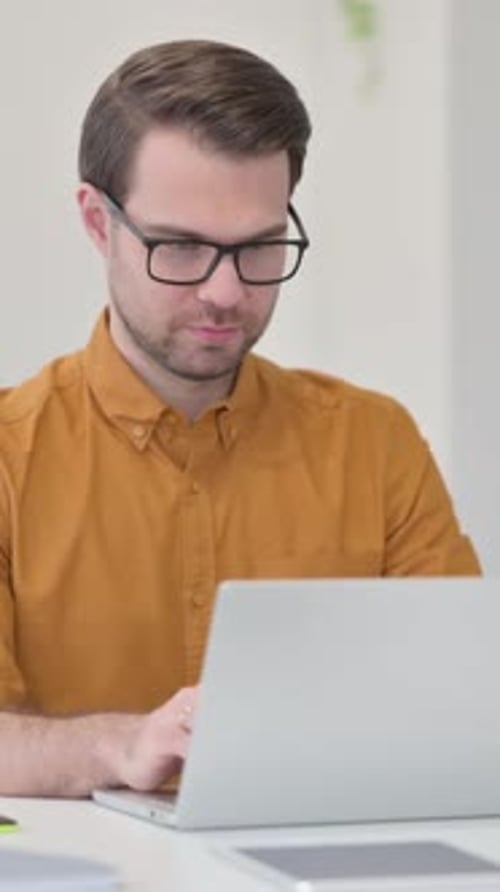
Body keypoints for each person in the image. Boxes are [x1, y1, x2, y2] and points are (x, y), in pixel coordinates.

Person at [0, 39, 480, 798]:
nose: (226, 292)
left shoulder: (374, 444)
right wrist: (120, 747)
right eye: (182, 247)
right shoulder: (9, 458)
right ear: (99, 223)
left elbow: (461, 708)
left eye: (259, 247)